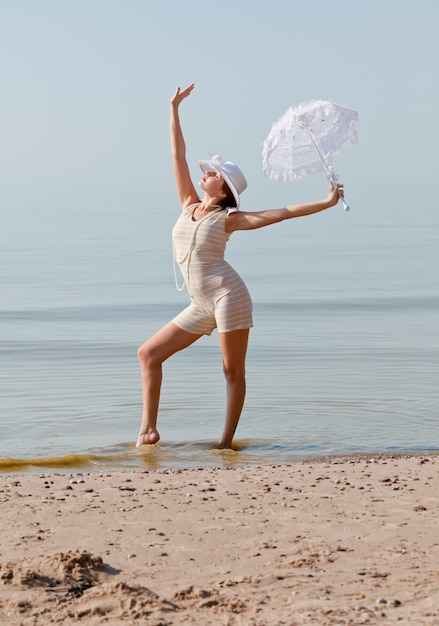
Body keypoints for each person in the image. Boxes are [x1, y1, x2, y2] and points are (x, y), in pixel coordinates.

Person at [136, 83, 343, 450]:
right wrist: (174, 109)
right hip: (201, 304)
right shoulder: (187, 204)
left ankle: (225, 442)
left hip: (229, 297)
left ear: (224, 188)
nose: (205, 173)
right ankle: (148, 431)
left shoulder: (229, 218)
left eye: (212, 173)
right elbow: (177, 154)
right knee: (148, 354)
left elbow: (280, 213)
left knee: (232, 371)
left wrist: (326, 203)